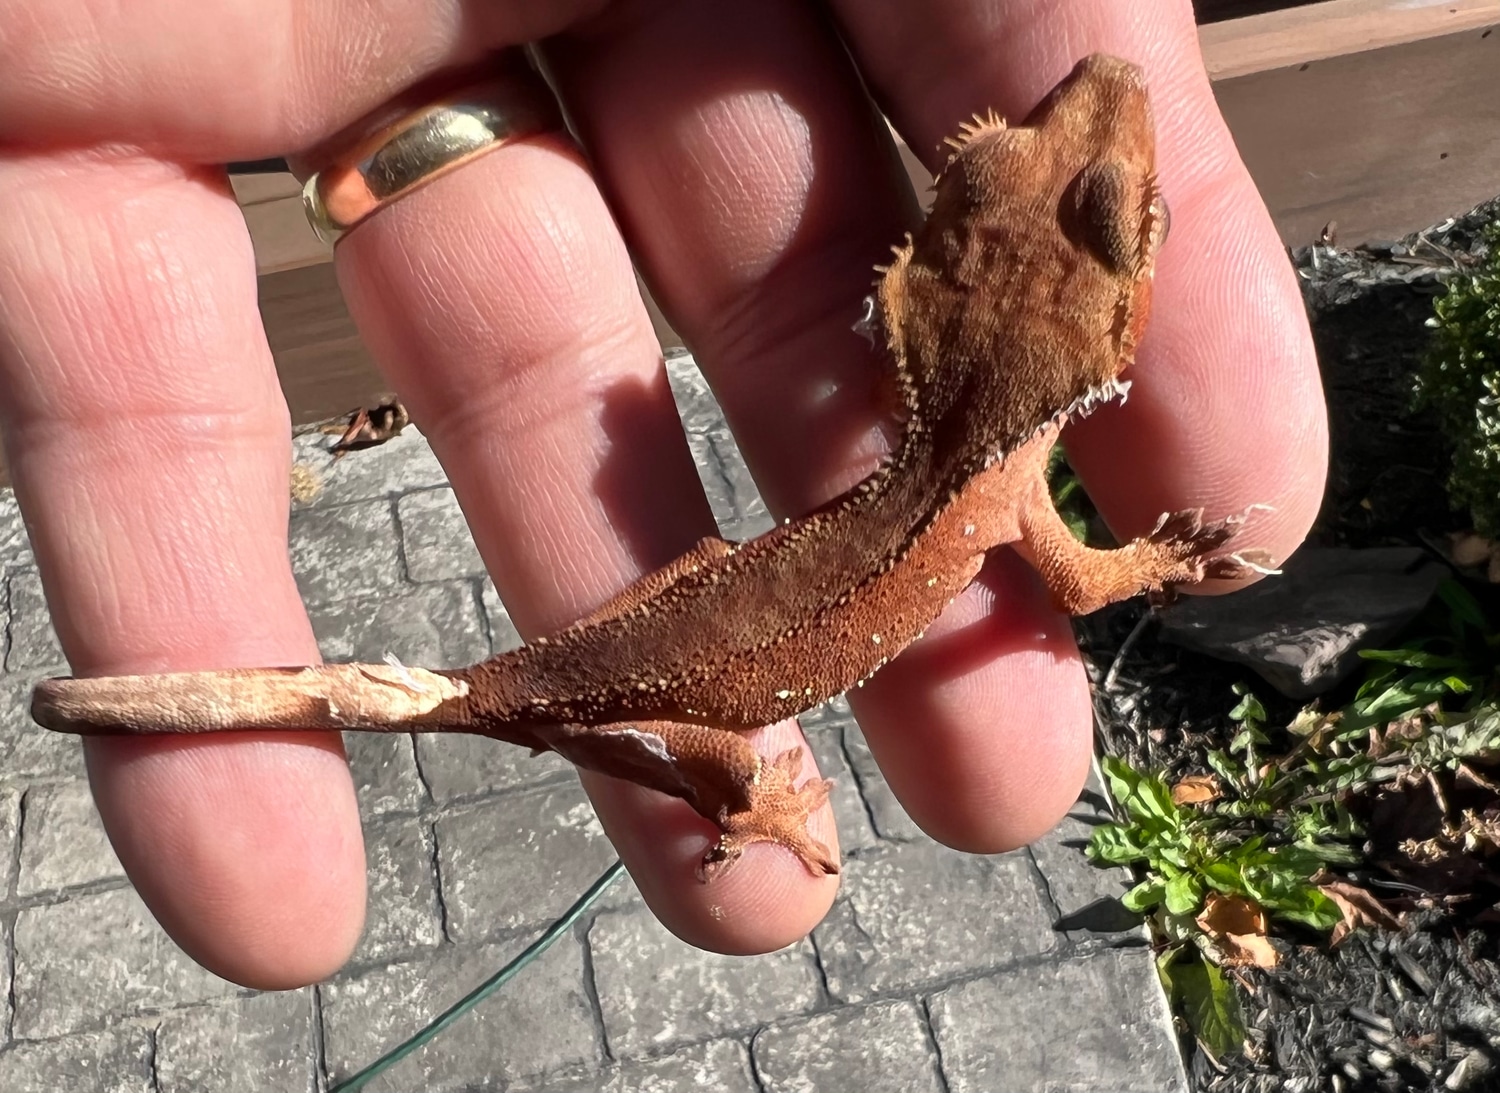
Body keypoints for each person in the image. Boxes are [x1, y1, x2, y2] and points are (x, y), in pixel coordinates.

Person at [0, 0, 1326, 989]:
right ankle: (732, 800)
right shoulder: (1004, 492)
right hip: (696, 679)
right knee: (671, 737)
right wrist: (1150, 561)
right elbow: (1085, 581)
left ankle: (652, 757)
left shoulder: (959, 457)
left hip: (682, 630)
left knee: (580, 686)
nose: (1086, 99)